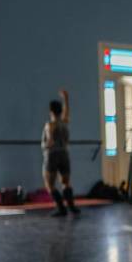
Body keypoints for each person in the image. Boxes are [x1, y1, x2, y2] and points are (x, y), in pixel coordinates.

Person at [42, 88, 79, 217]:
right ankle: (71, 207)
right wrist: (66, 99)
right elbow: (66, 111)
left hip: (52, 155)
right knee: (66, 182)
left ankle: (61, 208)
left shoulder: (50, 124)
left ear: (50, 111)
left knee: (49, 184)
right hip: (64, 154)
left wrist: (48, 142)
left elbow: (50, 139)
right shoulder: (64, 122)